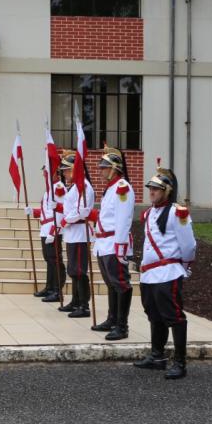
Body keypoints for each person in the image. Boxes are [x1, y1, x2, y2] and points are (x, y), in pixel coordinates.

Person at [134, 163, 196, 379]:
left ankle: (180, 363)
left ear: (167, 191)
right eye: (150, 188)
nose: (151, 192)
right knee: (154, 315)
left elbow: (188, 245)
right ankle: (157, 356)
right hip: (150, 273)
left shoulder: (177, 212)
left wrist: (184, 267)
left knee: (174, 316)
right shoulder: (150, 212)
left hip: (168, 272)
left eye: (156, 189)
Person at [88, 145, 135, 340]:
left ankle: (122, 326)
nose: (100, 171)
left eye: (104, 167)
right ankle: (112, 319)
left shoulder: (122, 188)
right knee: (111, 284)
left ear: (115, 168)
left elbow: (123, 220)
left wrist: (120, 248)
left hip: (114, 243)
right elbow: (107, 215)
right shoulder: (111, 189)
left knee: (121, 284)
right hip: (104, 243)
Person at [56, 151, 95, 318]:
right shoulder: (74, 186)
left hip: (80, 232)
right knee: (73, 269)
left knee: (79, 270)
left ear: (75, 169)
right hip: (72, 233)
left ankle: (84, 305)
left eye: (66, 170)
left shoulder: (84, 187)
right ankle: (75, 300)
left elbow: (82, 211)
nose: (64, 174)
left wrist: (66, 220)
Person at [25, 166, 67, 302]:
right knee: (49, 259)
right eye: (44, 172)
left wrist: (54, 232)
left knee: (55, 260)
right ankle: (49, 287)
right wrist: (34, 212)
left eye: (47, 171)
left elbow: (60, 212)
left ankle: (57, 290)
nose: (44, 174)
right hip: (45, 227)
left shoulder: (58, 187)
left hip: (52, 228)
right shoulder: (49, 189)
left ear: (55, 173)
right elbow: (47, 211)